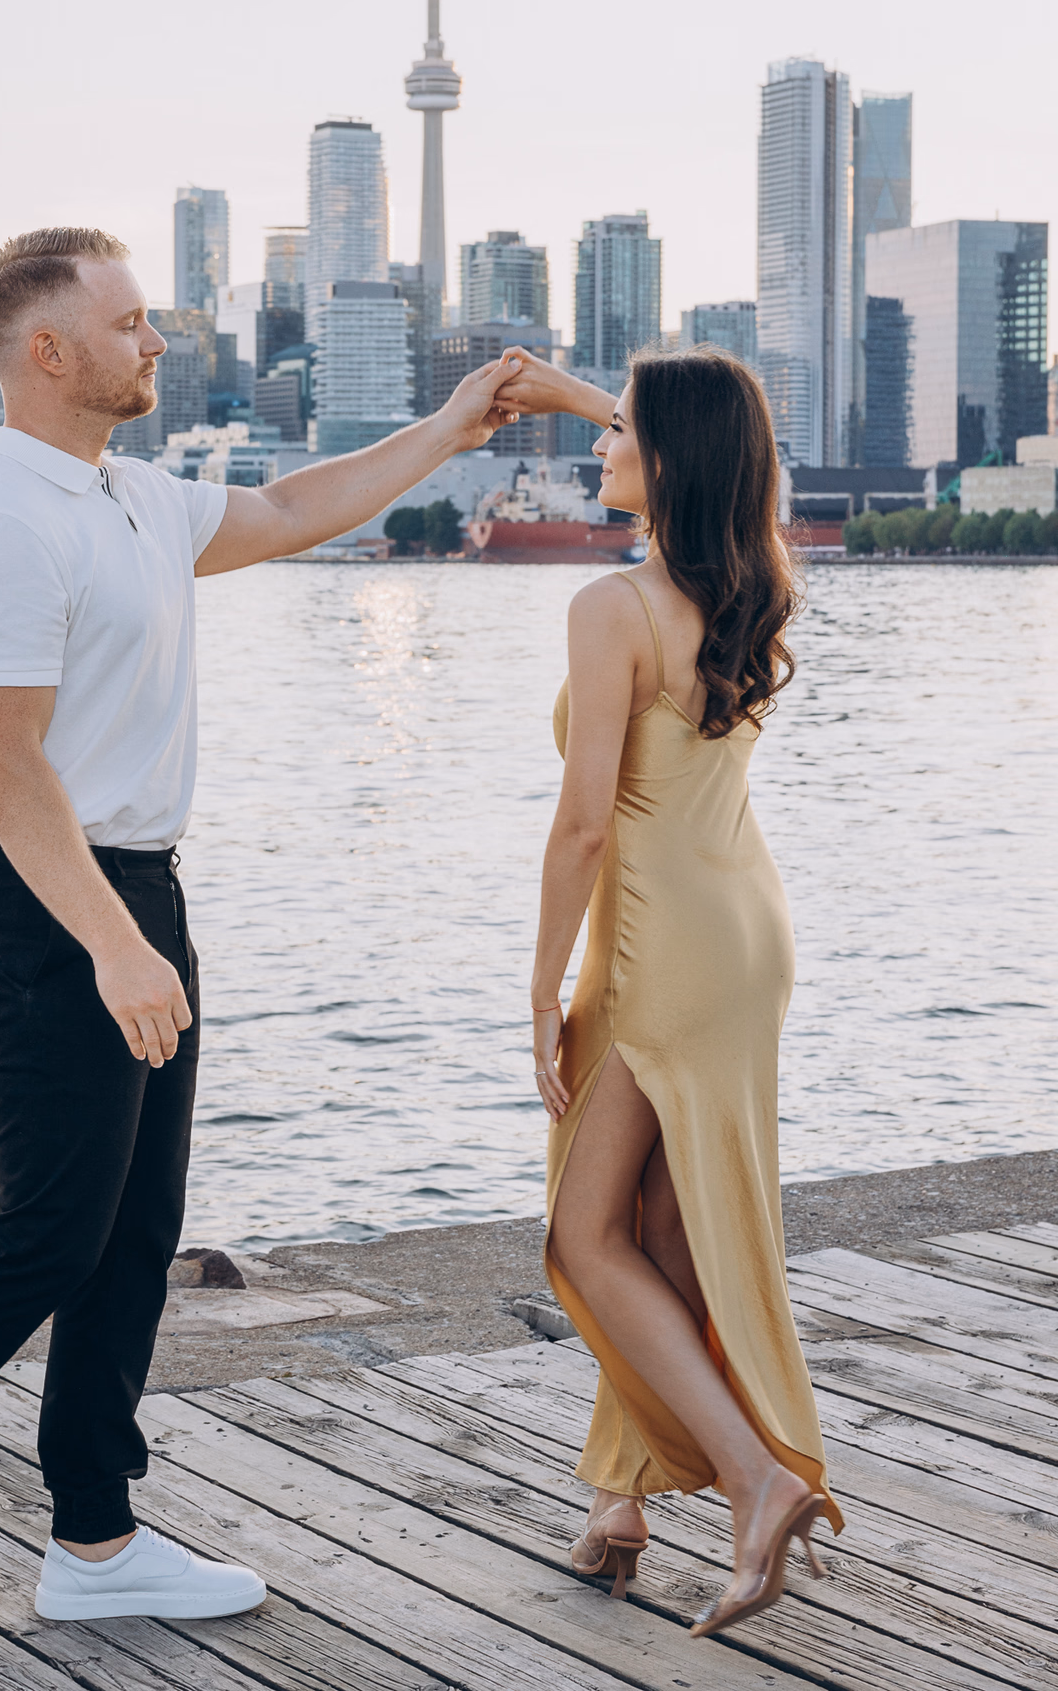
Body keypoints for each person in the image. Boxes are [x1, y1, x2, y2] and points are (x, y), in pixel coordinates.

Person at [0, 226, 533, 1658]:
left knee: (135, 1236)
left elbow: (290, 510)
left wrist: (450, 426)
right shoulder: (2, 524)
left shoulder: (127, 495)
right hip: (42, 912)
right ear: (50, 353)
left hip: (139, 896)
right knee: (50, 1233)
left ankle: (95, 1539)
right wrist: (114, 948)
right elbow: (7, 768)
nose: (158, 344)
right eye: (132, 325)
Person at [495, 345, 843, 1638]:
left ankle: (756, 1481)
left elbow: (584, 826)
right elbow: (729, 441)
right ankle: (619, 1498)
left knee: (585, 1239)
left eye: (616, 434)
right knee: (658, 1229)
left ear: (668, 459)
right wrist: (602, 398)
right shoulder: (754, 580)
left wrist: (541, 994)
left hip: (655, 949)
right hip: (744, 933)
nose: (598, 450)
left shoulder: (612, 609)